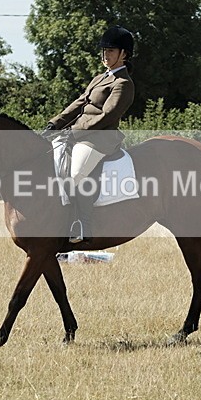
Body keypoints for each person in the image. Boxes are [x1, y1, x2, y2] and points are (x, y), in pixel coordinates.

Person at [42, 26, 135, 243]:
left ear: (124, 54)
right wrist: (55, 123)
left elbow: (107, 116)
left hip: (99, 139)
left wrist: (74, 132)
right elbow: (79, 103)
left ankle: (82, 225)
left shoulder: (123, 84)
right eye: (104, 51)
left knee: (75, 175)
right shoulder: (98, 79)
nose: (105, 55)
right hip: (77, 133)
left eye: (111, 51)